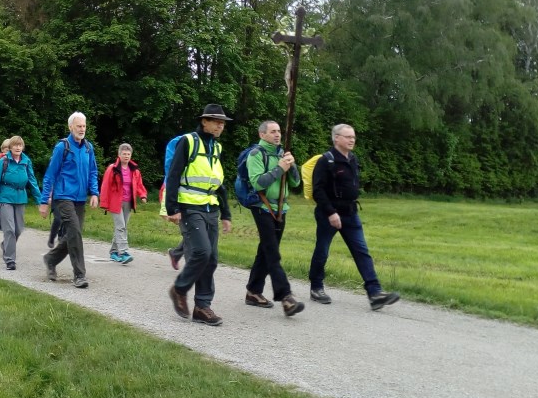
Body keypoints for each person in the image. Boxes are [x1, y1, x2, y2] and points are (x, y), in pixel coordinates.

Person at [308, 124, 400, 311]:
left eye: (353, 137)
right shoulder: (326, 161)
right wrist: (331, 213)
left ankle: (375, 293)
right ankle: (316, 287)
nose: (352, 140)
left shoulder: (352, 159)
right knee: (322, 250)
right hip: (329, 214)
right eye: (348, 136)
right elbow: (318, 190)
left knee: (361, 251)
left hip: (350, 213)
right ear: (336, 138)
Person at [166, 104, 232, 326]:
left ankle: (203, 307)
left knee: (212, 258)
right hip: (189, 207)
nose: (220, 125)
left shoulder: (217, 148)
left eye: (222, 122)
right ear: (204, 121)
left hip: (210, 208)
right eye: (215, 121)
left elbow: (219, 184)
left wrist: (226, 213)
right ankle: (179, 289)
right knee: (202, 252)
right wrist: (172, 208)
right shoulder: (189, 142)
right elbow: (174, 174)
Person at [243, 120, 304, 316]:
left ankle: (253, 291)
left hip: (281, 208)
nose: (277, 135)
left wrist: (291, 165)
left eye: (279, 131)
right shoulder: (256, 154)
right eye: (273, 132)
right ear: (262, 135)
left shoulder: (281, 154)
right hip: (262, 206)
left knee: (266, 250)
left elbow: (295, 182)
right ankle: (286, 297)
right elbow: (258, 183)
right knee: (272, 251)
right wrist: (279, 168)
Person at [40, 112, 99, 288]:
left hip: (80, 198)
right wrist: (44, 201)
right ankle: (79, 275)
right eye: (79, 126)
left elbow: (93, 171)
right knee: (74, 231)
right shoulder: (62, 147)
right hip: (63, 196)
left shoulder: (88, 147)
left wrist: (94, 193)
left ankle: (50, 259)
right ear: (70, 127)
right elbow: (50, 175)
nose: (82, 129)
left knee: (74, 233)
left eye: (84, 126)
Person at [0, 136, 42, 270]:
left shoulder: (26, 161)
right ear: (10, 147)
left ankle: (6, 245)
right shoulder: (3, 162)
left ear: (22, 147)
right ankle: (10, 260)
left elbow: (32, 181)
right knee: (9, 229)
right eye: (15, 145)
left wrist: (39, 200)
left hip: (21, 197)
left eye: (20, 145)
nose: (17, 147)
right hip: (5, 197)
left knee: (18, 229)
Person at [99, 143, 148, 264]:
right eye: (124, 154)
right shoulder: (112, 168)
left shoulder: (134, 170)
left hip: (128, 202)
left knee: (122, 226)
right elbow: (105, 186)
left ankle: (114, 252)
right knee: (120, 226)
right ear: (119, 154)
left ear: (131, 155)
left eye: (128, 154)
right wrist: (104, 203)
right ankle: (124, 252)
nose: (126, 156)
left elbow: (139, 185)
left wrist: (142, 195)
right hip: (115, 202)